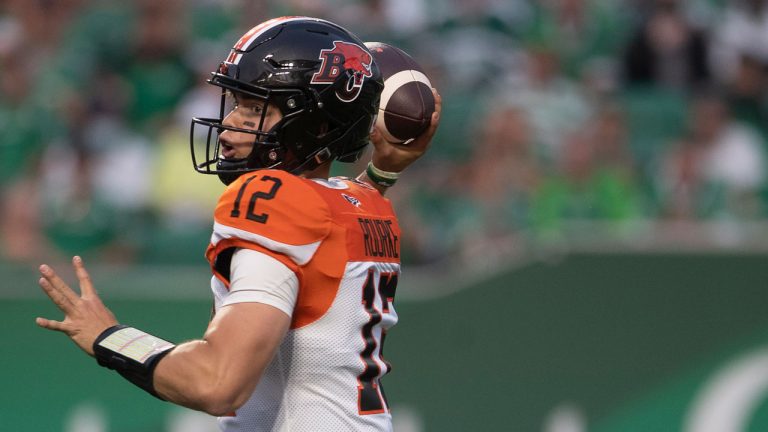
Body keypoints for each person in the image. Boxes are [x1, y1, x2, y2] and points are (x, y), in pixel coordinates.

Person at [34, 16, 441, 432]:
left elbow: (218, 382)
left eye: (254, 108)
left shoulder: (274, 197)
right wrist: (383, 173)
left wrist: (108, 337)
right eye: (235, 103)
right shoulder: (367, 201)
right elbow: (335, 228)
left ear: (315, 124)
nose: (230, 124)